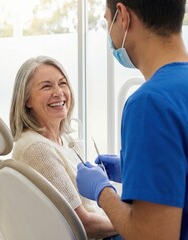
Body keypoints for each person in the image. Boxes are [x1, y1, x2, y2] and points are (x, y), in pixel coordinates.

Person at [75, 1, 188, 239]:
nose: (109, 32)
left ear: (124, 16)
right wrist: (133, 170)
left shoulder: (150, 102)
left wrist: (102, 191)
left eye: (108, 21)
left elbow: (151, 235)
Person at [9, 55, 119, 239]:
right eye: (46, 86)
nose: (59, 92)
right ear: (27, 100)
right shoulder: (37, 148)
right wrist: (132, 224)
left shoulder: (64, 141)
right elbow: (82, 224)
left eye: (62, 83)